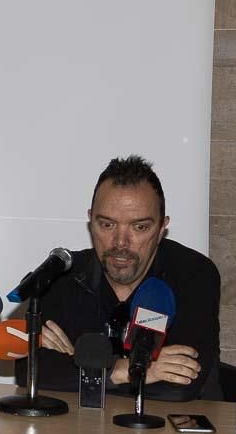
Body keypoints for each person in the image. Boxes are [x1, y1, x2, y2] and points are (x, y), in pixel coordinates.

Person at [21, 155, 221, 401]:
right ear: (91, 221)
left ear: (161, 229)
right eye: (107, 225)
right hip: (81, 432)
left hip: (169, 432)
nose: (120, 243)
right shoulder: (62, 276)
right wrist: (122, 371)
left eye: (139, 227)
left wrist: (79, 365)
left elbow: (179, 386)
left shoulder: (194, 274)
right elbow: (29, 373)